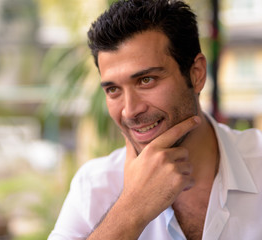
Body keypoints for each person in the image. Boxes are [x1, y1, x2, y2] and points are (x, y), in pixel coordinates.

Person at [48, 0, 262, 239]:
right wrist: (132, 210)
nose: (130, 111)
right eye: (113, 90)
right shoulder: (93, 186)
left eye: (146, 80)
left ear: (197, 74)